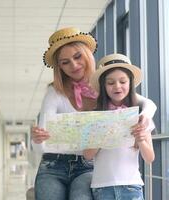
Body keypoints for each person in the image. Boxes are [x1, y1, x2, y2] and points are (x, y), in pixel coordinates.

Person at [31, 27, 157, 200]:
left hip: (88, 165)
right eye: (65, 62)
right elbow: (41, 144)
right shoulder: (54, 92)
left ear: (87, 55)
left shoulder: (105, 86)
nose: (74, 66)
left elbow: (147, 103)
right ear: (59, 66)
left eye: (77, 57)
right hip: (53, 163)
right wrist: (38, 140)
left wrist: (145, 118)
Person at [83, 53, 155, 200]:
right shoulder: (96, 116)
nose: (117, 86)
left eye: (123, 81)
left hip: (131, 186)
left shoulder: (139, 116)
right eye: (110, 83)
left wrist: (140, 139)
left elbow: (149, 158)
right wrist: (102, 137)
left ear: (130, 83)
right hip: (102, 188)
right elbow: (87, 155)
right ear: (103, 86)